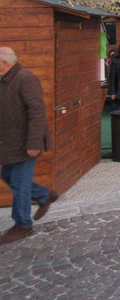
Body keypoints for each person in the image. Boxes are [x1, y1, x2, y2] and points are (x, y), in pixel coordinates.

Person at [0, 47, 58, 244]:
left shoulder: (25, 78)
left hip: (26, 142)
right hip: (11, 143)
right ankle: (44, 195)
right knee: (8, 175)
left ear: (4, 62)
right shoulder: (5, 80)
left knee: (19, 183)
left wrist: (33, 142)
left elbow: (37, 111)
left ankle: (22, 224)